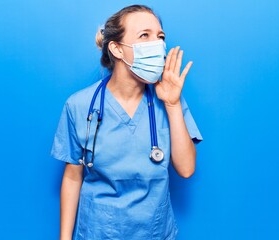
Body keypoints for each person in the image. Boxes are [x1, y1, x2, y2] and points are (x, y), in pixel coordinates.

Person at [51, 4, 203, 240]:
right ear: (117, 49)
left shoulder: (169, 100)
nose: (158, 44)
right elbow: (72, 177)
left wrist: (172, 105)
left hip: (155, 233)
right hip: (97, 233)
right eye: (145, 35)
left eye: (160, 36)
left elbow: (186, 169)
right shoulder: (80, 105)